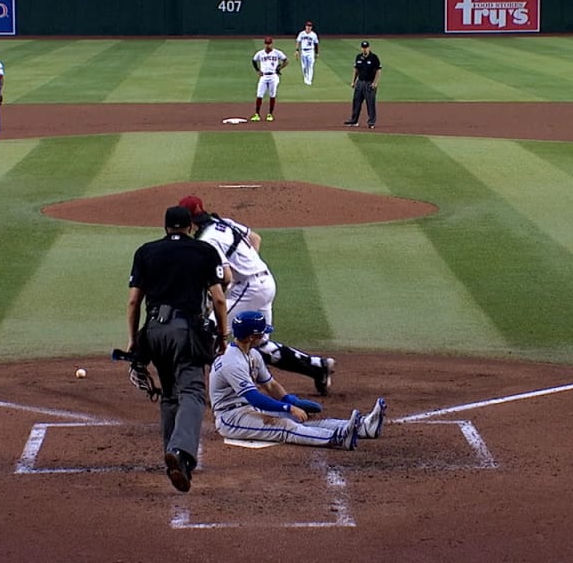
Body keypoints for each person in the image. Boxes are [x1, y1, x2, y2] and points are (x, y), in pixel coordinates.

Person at [178, 194, 336, 396]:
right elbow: (255, 239)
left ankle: (215, 388)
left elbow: (226, 276)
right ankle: (317, 367)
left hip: (249, 287)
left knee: (209, 329)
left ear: (189, 222)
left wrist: (219, 297)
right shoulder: (223, 223)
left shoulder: (207, 240)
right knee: (259, 344)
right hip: (265, 280)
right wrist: (249, 265)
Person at [126, 206, 230, 493]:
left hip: (154, 332)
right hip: (185, 331)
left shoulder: (145, 251)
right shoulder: (204, 252)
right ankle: (181, 451)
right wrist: (223, 336)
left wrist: (135, 341)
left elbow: (134, 302)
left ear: (165, 227)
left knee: (170, 394)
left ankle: (176, 461)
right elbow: (219, 300)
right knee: (193, 392)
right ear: (190, 227)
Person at [210, 310, 387, 450]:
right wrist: (288, 408)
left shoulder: (253, 354)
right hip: (230, 417)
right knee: (285, 426)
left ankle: (364, 427)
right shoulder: (232, 362)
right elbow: (254, 397)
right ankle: (339, 439)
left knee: (301, 420)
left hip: (248, 409)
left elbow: (270, 385)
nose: (264, 336)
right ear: (250, 337)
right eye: (261, 334)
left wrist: (291, 401)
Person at [344, 40, 382, 130]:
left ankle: (371, 122)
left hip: (369, 83)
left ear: (369, 48)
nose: (365, 49)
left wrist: (375, 83)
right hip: (360, 83)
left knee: (370, 103)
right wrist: (353, 81)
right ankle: (354, 120)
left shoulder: (374, 58)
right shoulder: (358, 57)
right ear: (361, 48)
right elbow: (356, 70)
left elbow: (378, 70)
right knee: (356, 102)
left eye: (366, 48)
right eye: (363, 48)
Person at [250, 37, 288, 122]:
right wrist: (257, 70)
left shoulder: (277, 53)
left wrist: (280, 68)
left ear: (272, 43)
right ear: (264, 44)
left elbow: (286, 60)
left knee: (272, 95)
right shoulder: (260, 53)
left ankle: (270, 114)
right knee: (259, 95)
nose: (268, 45)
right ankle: (257, 114)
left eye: (269, 43)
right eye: (267, 43)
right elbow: (254, 60)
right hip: (263, 76)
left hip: (273, 77)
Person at [295, 21, 319, 86]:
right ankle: (305, 77)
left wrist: (317, 52)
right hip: (303, 51)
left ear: (311, 27)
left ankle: (309, 80)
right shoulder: (301, 33)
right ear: (305, 26)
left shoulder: (314, 34)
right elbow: (298, 41)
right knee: (304, 66)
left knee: (310, 66)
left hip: (311, 51)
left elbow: (316, 44)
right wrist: (297, 50)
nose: (308, 27)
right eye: (307, 26)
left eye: (310, 26)